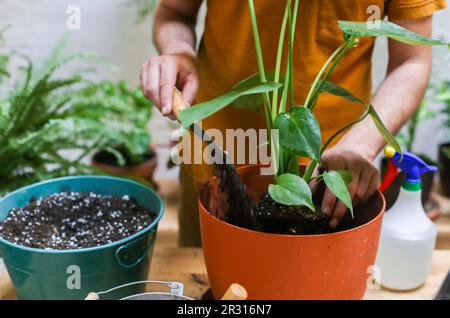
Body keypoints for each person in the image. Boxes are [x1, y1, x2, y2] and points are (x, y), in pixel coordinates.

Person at [141, 0, 446, 246]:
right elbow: (174, 12)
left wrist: (363, 143)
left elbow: (412, 60)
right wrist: (179, 52)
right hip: (214, 154)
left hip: (329, 173)